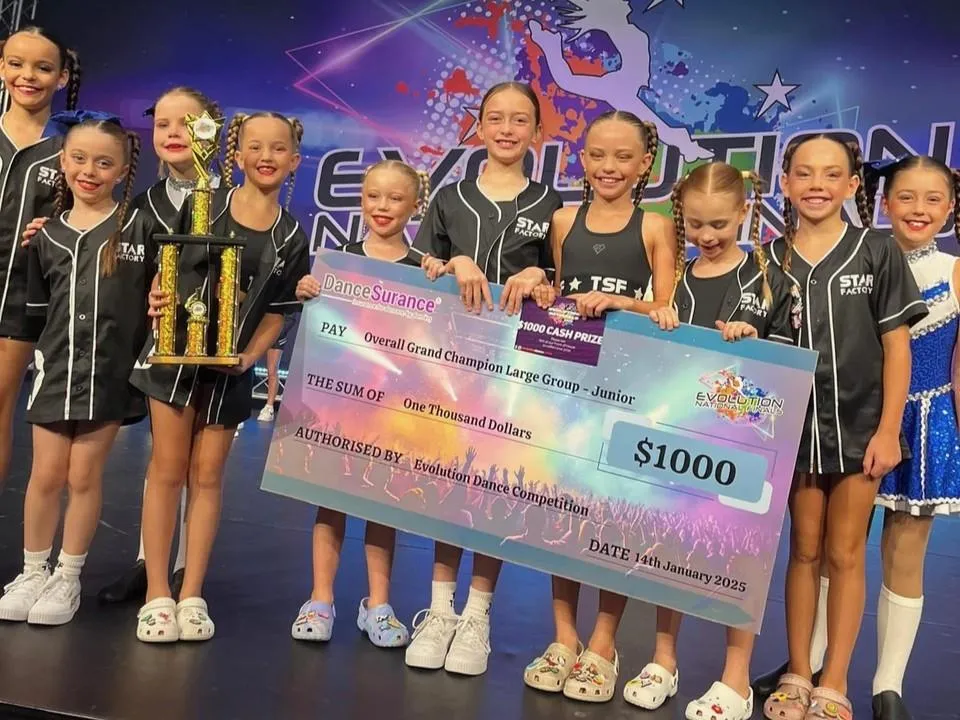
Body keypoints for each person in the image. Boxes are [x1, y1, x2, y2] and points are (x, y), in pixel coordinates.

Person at [615, 162, 795, 718]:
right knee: (669, 548)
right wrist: (657, 320)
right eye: (695, 226)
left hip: (744, 453)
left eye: (719, 223)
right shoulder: (681, 280)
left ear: (745, 214)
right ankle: (663, 661)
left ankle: (735, 679)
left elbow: (782, 383)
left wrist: (751, 345)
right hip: (682, 442)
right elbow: (662, 366)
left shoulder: (767, 280)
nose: (708, 236)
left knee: (738, 558)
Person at [762, 134, 927, 720]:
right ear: (785, 183)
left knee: (845, 551)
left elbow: (897, 349)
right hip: (796, 433)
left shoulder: (876, 250)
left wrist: (888, 431)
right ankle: (798, 672)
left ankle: (835, 681)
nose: (816, 185)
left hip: (861, 431)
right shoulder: (771, 259)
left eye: (832, 175)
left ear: (853, 186)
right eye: (804, 174)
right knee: (803, 551)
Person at [132, 111, 309, 643]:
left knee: (207, 478)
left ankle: (192, 595)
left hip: (229, 373)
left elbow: (278, 311)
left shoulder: (291, 235)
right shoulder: (204, 204)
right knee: (166, 470)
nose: (266, 157)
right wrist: (158, 298)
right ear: (236, 155)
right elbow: (165, 270)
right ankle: (156, 593)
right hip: (175, 363)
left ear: (294, 161)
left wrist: (250, 355)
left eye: (278, 149)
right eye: (255, 146)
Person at [405, 81, 562, 676]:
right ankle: (440, 608)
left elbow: (558, 284)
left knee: (498, 482)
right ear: (477, 125)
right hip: (449, 367)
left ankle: (477, 615)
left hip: (518, 372)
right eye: (494, 117)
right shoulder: (450, 199)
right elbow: (424, 269)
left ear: (536, 134)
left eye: (518, 120)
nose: (505, 129)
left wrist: (536, 274)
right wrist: (453, 263)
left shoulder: (554, 206)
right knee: (449, 482)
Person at [522, 109, 675, 703]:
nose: (608, 167)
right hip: (566, 388)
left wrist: (618, 304)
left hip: (631, 392)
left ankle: (604, 644)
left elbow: (667, 309)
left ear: (644, 166)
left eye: (622, 157)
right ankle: (564, 638)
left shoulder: (655, 226)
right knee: (560, 511)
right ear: (581, 160)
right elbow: (558, 297)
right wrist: (544, 294)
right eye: (596, 155)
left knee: (614, 520)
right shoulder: (562, 220)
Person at [0, 112, 151, 626]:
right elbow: (35, 311)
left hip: (108, 374)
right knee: (44, 475)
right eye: (79, 159)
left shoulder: (138, 230)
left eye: (103, 162)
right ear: (63, 162)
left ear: (122, 169)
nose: (90, 170)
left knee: (84, 475)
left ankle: (68, 576)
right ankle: (33, 570)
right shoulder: (43, 236)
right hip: (55, 371)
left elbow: (155, 296)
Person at [290, 158, 429, 647]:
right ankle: (320, 599)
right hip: (338, 407)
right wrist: (309, 290)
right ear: (361, 200)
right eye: (374, 196)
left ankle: (379, 605)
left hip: (393, 414)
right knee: (330, 504)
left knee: (381, 507)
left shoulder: (423, 270)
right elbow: (323, 332)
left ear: (416, 204)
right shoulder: (337, 260)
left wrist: (441, 279)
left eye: (395, 198)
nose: (383, 206)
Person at [98, 86, 222, 604]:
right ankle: (152, 565)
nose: (173, 133)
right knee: (163, 464)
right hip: (159, 354)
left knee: (203, 469)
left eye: (186, 124)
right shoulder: (140, 203)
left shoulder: (231, 200)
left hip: (217, 355)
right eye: (163, 124)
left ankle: (186, 574)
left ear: (211, 131)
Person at [0, 26, 80, 492]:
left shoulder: (71, 147)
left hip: (19, 300)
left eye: (43, 67)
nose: (27, 76)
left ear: (62, 77)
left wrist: (58, 229)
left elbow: (95, 217)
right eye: (16, 63)